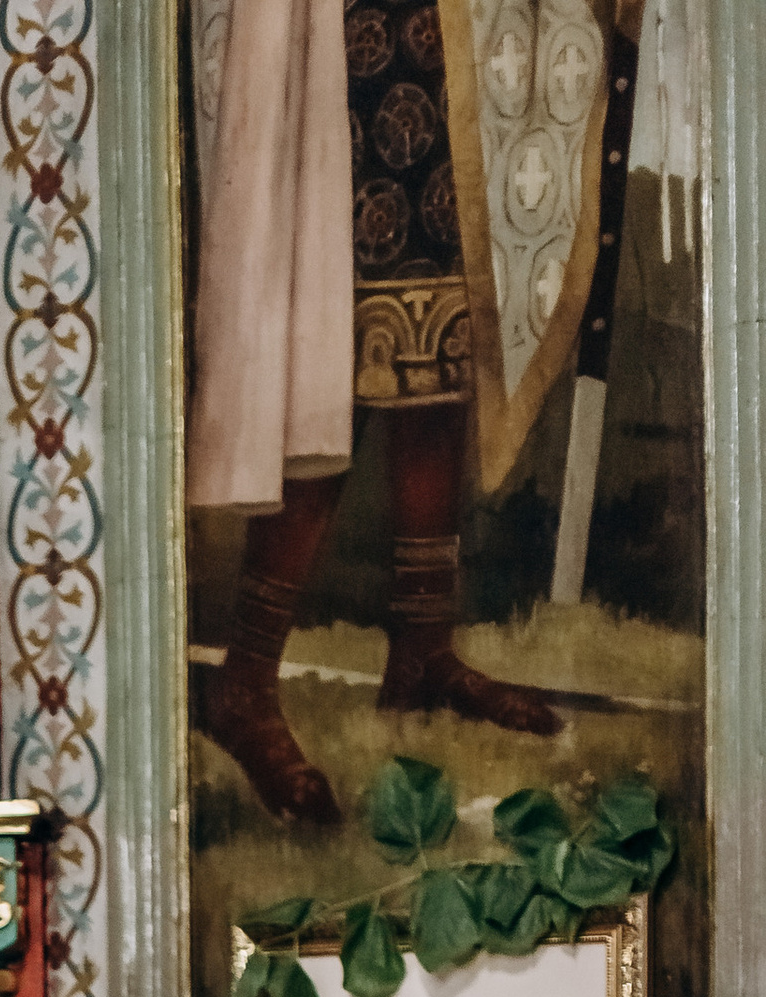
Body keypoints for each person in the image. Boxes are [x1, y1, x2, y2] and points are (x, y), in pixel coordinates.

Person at [190, 0, 594, 823]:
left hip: (450, 29)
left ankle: (422, 649)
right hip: (337, 32)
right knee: (328, 349)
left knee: (441, 321)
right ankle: (245, 681)